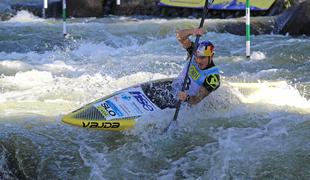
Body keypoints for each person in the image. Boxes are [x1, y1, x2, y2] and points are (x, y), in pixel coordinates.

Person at [174, 27, 220, 105]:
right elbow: (179, 36)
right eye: (197, 57)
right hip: (175, 89)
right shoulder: (193, 51)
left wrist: (186, 98)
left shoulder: (212, 78)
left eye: (202, 58)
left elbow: (196, 100)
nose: (198, 61)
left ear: (211, 56)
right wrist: (192, 31)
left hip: (186, 103)